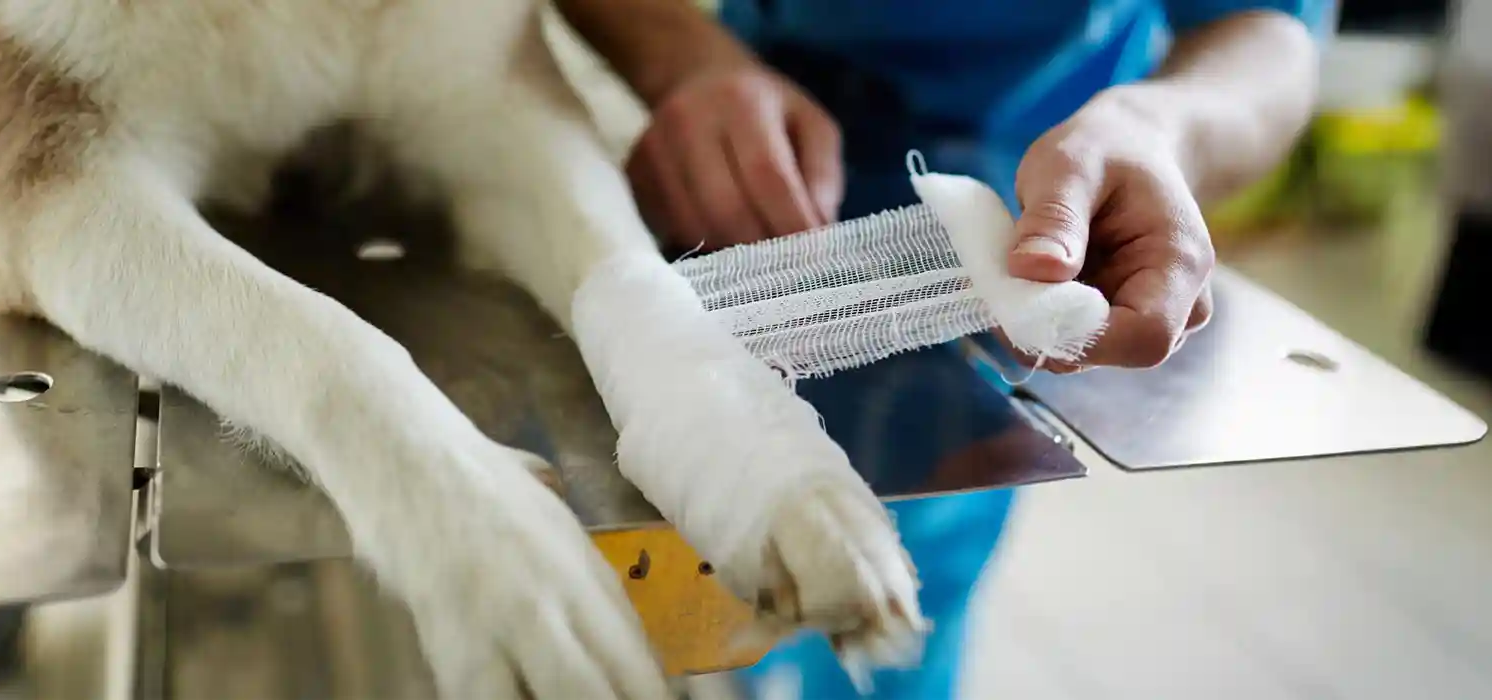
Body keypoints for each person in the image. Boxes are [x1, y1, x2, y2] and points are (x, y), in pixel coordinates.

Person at [555, 0, 1331, 697]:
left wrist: (1164, 128)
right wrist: (682, 57)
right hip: (727, 190)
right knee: (684, 603)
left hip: (1018, 244)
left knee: (903, 603)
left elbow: (1270, 31)